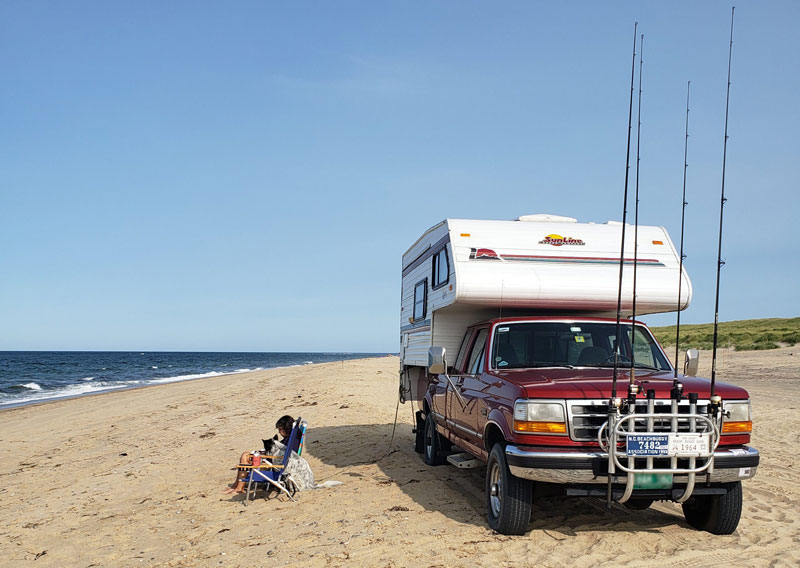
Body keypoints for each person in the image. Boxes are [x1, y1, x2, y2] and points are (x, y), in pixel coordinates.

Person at [223, 415, 299, 495]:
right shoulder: (292, 438)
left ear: (286, 428)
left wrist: (264, 456)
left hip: (275, 465)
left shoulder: (290, 441)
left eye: (280, 429)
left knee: (245, 456)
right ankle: (236, 485)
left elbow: (282, 457)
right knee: (245, 455)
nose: (279, 432)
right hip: (276, 462)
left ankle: (239, 488)